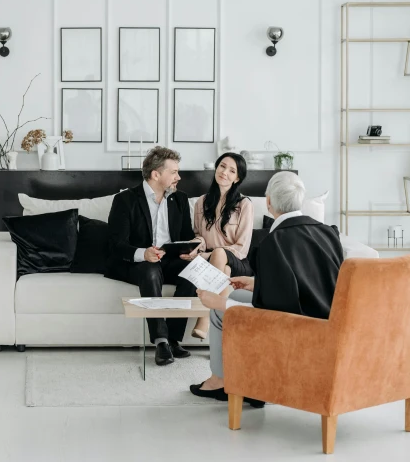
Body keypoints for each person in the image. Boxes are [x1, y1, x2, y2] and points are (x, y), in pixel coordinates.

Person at [189, 171, 344, 403]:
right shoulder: (328, 232)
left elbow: (272, 312)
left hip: (299, 328)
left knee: (219, 310)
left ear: (268, 201)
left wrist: (220, 302)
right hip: (329, 322)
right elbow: (309, 283)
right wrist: (259, 284)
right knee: (240, 292)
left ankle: (223, 382)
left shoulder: (273, 243)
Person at [105, 146, 200, 366]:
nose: (179, 177)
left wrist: (190, 251)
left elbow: (186, 236)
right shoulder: (125, 200)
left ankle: (175, 339)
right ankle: (161, 341)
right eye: (174, 172)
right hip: (140, 262)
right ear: (156, 174)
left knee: (193, 272)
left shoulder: (180, 200)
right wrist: (143, 253)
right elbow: (115, 244)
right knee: (149, 272)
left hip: (171, 259)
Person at [181, 152, 254, 340]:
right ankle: (221, 330)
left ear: (237, 178)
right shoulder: (201, 202)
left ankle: (204, 318)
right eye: (222, 166)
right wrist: (197, 248)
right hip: (214, 262)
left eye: (232, 171)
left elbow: (242, 246)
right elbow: (198, 235)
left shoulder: (244, 204)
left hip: (238, 260)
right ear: (216, 168)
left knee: (221, 255)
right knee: (225, 270)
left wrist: (208, 255)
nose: (224, 172)